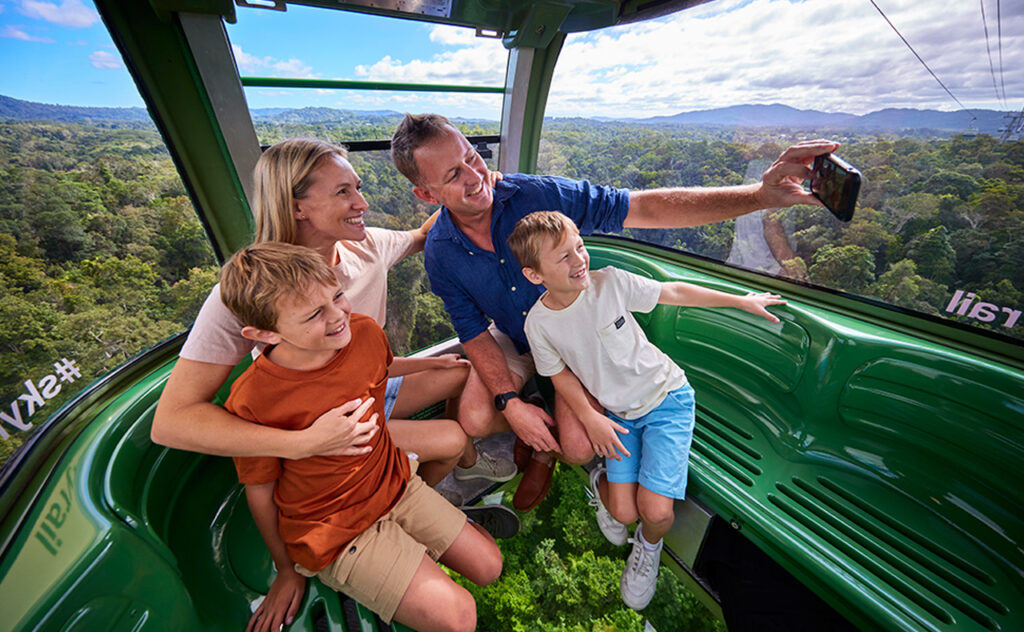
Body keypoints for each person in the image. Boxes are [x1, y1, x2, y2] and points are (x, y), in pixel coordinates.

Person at [389, 113, 836, 511]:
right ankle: (532, 419)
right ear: (426, 194)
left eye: (472, 156)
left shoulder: (537, 196)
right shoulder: (443, 253)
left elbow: (642, 207)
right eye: (453, 174)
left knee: (581, 449)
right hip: (513, 333)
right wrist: (511, 403)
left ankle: (544, 450)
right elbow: (473, 333)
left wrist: (757, 195)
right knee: (474, 418)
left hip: (575, 329)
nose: (476, 175)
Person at [152, 139, 515, 493]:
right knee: (450, 438)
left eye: (357, 187)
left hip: (369, 388)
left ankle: (458, 472)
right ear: (298, 208)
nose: (363, 202)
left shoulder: (366, 247)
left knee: (458, 372)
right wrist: (302, 444)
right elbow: (172, 421)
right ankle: (401, 507)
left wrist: (477, 184)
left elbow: (421, 235)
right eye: (343, 192)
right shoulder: (254, 289)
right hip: (320, 419)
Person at [219, 242, 507, 632]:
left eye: (337, 295)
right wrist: (287, 569)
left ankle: (406, 557)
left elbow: (380, 368)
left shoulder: (363, 333)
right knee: (459, 618)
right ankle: (376, 568)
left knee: (490, 566)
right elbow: (260, 490)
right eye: (315, 314)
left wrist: (430, 363)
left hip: (392, 482)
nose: (338, 316)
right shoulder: (256, 400)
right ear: (265, 333)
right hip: (332, 526)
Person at [507, 210, 785, 610]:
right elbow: (559, 375)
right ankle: (603, 483)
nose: (579, 261)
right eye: (563, 257)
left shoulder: (611, 284)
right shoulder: (539, 324)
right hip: (619, 414)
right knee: (622, 512)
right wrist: (592, 418)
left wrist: (740, 301)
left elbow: (673, 292)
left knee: (654, 513)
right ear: (535, 275)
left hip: (666, 401)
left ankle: (648, 550)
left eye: (579, 248)